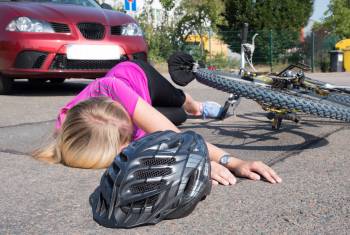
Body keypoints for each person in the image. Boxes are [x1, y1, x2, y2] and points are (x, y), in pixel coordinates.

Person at [33, 59, 282, 185]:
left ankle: (197, 105)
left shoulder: (112, 88)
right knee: (178, 117)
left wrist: (231, 161)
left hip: (137, 77)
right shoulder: (80, 138)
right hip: (135, 108)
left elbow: (178, 138)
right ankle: (180, 111)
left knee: (181, 103)